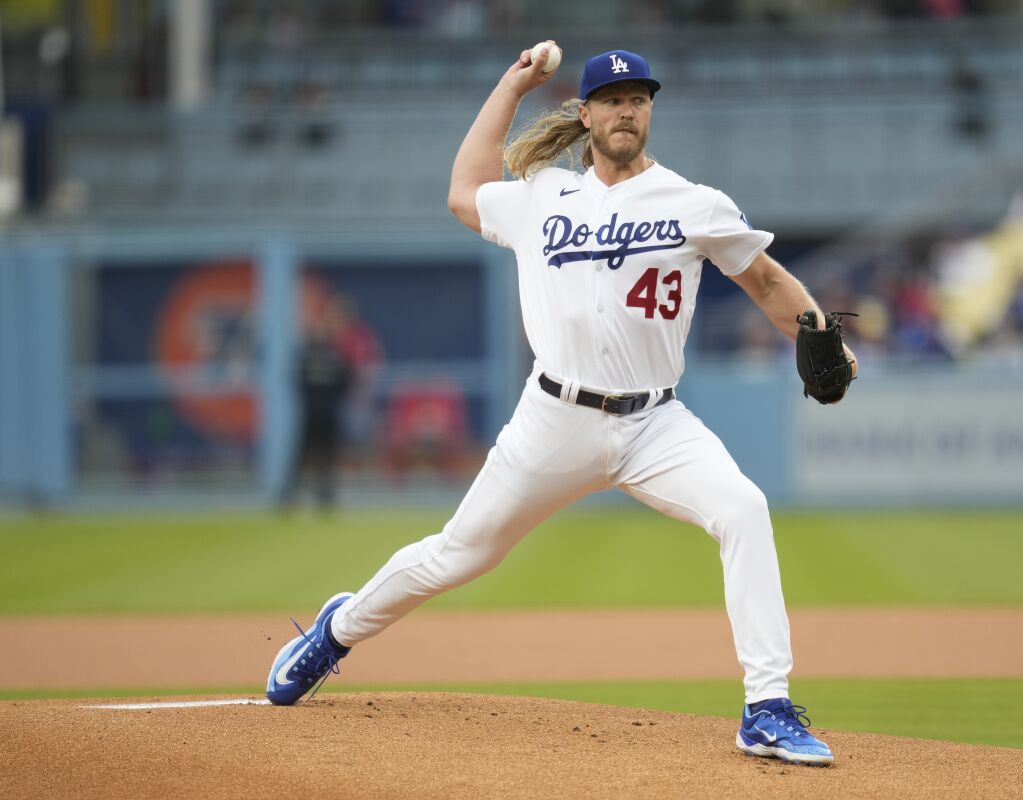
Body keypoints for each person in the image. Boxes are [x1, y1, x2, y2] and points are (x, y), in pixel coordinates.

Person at [265, 44, 855, 768]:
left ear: (649, 111)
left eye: (638, 97)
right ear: (586, 114)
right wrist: (512, 86)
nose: (626, 109)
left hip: (655, 423)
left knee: (743, 508)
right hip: (555, 418)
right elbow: (462, 190)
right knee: (458, 555)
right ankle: (337, 631)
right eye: (611, 99)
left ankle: (765, 707)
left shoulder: (693, 203)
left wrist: (821, 330)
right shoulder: (541, 194)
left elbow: (765, 281)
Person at [277, 310, 354, 511]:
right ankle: (318, 495)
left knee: (307, 456)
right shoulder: (334, 356)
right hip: (326, 413)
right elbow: (347, 381)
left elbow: (296, 380)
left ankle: (294, 495)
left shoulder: (308, 356)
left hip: (313, 413)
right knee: (323, 457)